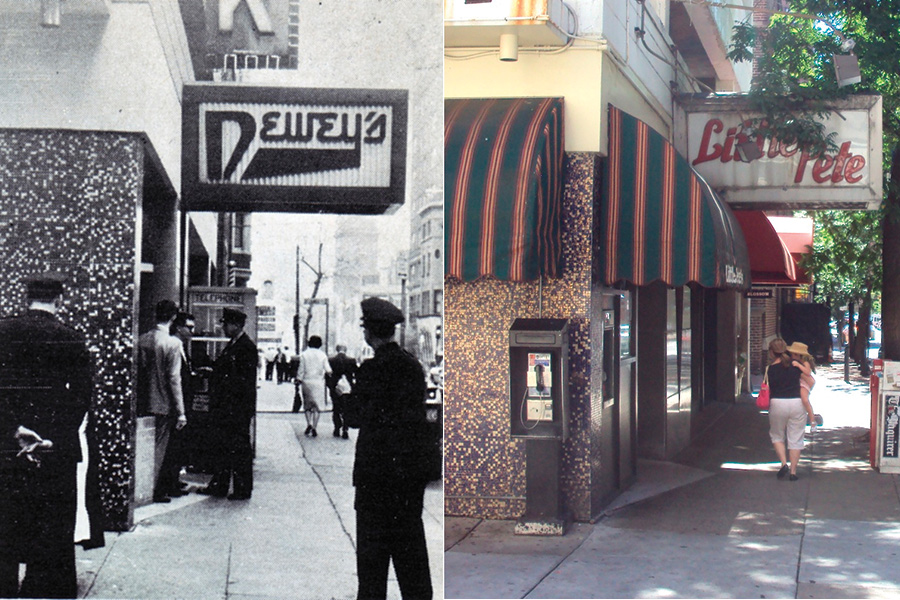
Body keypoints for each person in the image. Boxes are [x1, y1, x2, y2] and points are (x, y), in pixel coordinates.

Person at [0, 272, 92, 598]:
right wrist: (51, 438)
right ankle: (44, 589)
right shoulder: (71, 338)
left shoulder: (3, 331)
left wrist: (14, 429)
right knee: (52, 526)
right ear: (59, 300)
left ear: (27, 298)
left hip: (7, 446)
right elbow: (81, 397)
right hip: (54, 448)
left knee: (5, 522)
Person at [352, 297, 432, 600]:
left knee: (372, 563)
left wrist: (345, 396)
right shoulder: (412, 366)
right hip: (408, 477)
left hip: (375, 477)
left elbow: (356, 417)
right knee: (411, 555)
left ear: (369, 332)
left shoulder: (372, 370)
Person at [203, 308, 257, 500]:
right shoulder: (233, 344)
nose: (223, 328)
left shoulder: (246, 347)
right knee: (223, 446)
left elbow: (242, 380)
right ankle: (220, 485)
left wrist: (218, 376)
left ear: (237, 325)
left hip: (236, 407)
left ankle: (242, 489)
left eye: (226, 324)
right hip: (228, 407)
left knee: (239, 448)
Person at [137, 299, 187, 503]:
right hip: (163, 403)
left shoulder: (142, 339)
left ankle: (140, 487)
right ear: (173, 317)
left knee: (143, 446)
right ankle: (154, 489)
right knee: (158, 448)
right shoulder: (173, 343)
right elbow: (174, 379)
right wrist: (181, 411)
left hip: (143, 402)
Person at [766, 338, 809, 481]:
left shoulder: (770, 369)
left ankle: (784, 464)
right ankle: (793, 472)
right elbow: (809, 378)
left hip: (777, 403)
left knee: (777, 435)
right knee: (796, 437)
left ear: (772, 352)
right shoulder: (795, 365)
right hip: (796, 403)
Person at [297, 336, 332, 437]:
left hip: (306, 382)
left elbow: (301, 369)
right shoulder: (323, 355)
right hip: (318, 383)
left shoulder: (304, 354)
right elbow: (328, 370)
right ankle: (314, 427)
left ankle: (309, 423)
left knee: (307, 405)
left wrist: (298, 379)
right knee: (317, 407)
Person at [786, 341, 817, 432]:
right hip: (797, 382)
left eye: (794, 354)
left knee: (805, 399)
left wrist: (799, 365)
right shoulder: (792, 361)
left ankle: (812, 421)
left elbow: (808, 372)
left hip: (804, 383)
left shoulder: (804, 363)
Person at [327, 344, 357, 439]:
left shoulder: (331, 360)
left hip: (335, 387)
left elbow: (327, 375)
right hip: (348, 388)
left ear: (337, 350)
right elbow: (356, 373)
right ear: (346, 350)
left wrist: (330, 386)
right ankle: (345, 429)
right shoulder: (351, 360)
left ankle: (337, 428)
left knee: (336, 408)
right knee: (346, 408)